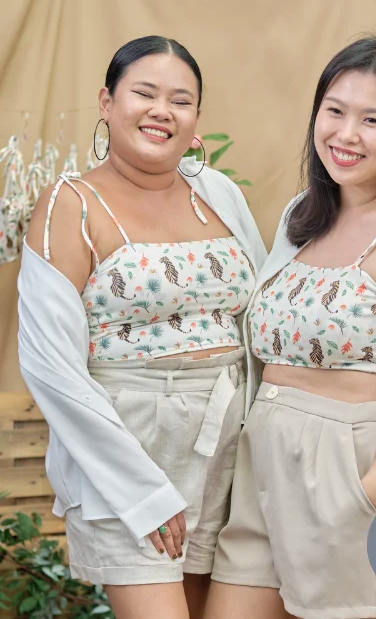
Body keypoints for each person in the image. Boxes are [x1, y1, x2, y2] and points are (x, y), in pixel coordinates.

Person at [206, 37, 376, 619]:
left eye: (372, 119)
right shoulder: (301, 216)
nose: (346, 134)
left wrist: (367, 492)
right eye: (335, 110)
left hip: (347, 469)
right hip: (264, 459)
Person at [18, 35, 266, 619]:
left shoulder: (220, 194)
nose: (162, 111)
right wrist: (142, 493)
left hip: (228, 454)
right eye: (144, 93)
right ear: (107, 102)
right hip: (128, 453)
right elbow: (52, 370)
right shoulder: (69, 204)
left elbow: (259, 315)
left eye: (181, 100)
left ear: (197, 118)